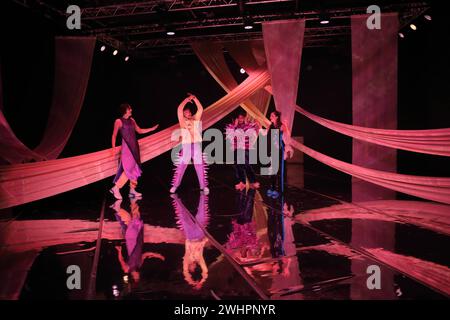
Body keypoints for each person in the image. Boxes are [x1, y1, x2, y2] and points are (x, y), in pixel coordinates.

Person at [110, 103, 159, 200]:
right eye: (129, 109)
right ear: (125, 110)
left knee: (135, 167)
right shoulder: (118, 121)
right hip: (127, 148)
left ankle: (132, 190)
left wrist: (152, 129)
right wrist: (113, 148)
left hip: (135, 146)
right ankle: (116, 187)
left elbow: (139, 131)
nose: (131, 110)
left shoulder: (132, 120)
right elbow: (114, 135)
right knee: (129, 168)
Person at [170, 94, 209, 194]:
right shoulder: (182, 121)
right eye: (186, 112)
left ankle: (203, 186)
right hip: (186, 145)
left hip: (195, 145)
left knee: (199, 165)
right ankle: (175, 186)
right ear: (183, 114)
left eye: (189, 112)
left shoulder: (195, 119)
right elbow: (179, 109)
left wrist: (195, 98)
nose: (188, 113)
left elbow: (200, 109)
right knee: (182, 165)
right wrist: (186, 100)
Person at [225, 110, 260, 190]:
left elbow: (255, 134)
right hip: (238, 148)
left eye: (242, 118)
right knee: (238, 166)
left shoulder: (249, 126)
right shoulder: (234, 126)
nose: (240, 119)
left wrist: (258, 125)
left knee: (246, 165)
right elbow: (230, 137)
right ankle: (242, 182)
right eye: (239, 118)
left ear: (244, 118)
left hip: (246, 148)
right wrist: (235, 126)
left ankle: (253, 181)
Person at [264, 111, 293, 198]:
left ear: (276, 117)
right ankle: (272, 188)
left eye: (272, 115)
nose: (270, 116)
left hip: (277, 150)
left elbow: (288, 134)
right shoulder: (270, 126)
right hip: (270, 150)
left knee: (275, 170)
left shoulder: (281, 126)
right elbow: (265, 134)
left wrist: (287, 125)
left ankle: (276, 189)